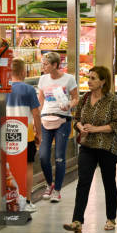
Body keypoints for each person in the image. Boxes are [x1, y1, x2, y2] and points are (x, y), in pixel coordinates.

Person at [64, 66, 117, 233]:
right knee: (83, 182)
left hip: (107, 147)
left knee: (108, 182)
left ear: (103, 81)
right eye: (88, 77)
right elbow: (76, 119)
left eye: (93, 78)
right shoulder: (84, 98)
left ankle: (111, 218)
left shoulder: (113, 100)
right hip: (87, 146)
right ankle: (77, 221)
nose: (89, 81)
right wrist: (80, 127)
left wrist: (96, 129)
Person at [37, 51, 79, 203]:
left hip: (63, 120)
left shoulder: (68, 79)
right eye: (43, 63)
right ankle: (49, 184)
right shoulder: (42, 79)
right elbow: (40, 101)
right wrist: (37, 119)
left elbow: (76, 98)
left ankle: (57, 190)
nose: (44, 66)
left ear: (55, 65)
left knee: (60, 157)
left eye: (46, 64)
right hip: (46, 120)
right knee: (43, 156)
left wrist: (69, 104)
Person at [6, 58, 41, 212]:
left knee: (8, 167)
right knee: (27, 166)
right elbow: (36, 114)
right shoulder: (29, 90)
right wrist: (38, 133)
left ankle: (10, 200)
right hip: (25, 133)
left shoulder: (3, 89)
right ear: (23, 72)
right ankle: (26, 201)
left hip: (6, 132)